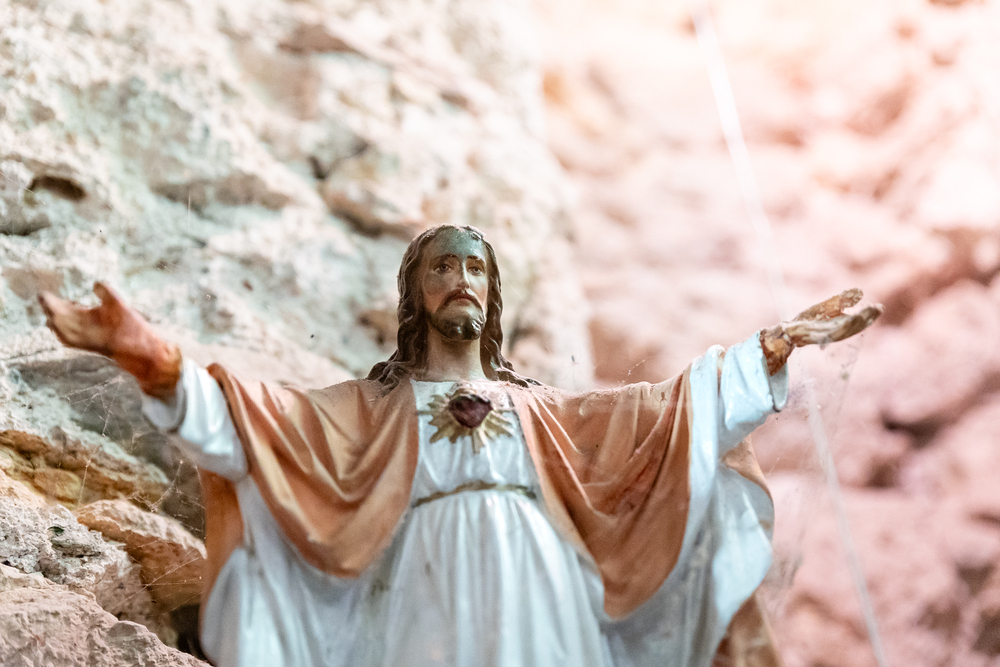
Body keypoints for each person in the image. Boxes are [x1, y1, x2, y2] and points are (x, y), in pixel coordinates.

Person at [39, 224, 880, 667]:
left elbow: (669, 416)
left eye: (475, 269)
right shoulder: (369, 409)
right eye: (442, 268)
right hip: (424, 578)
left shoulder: (547, 413)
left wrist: (771, 346)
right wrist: (152, 359)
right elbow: (255, 427)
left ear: (492, 295)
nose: (461, 280)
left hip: (540, 581)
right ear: (416, 295)